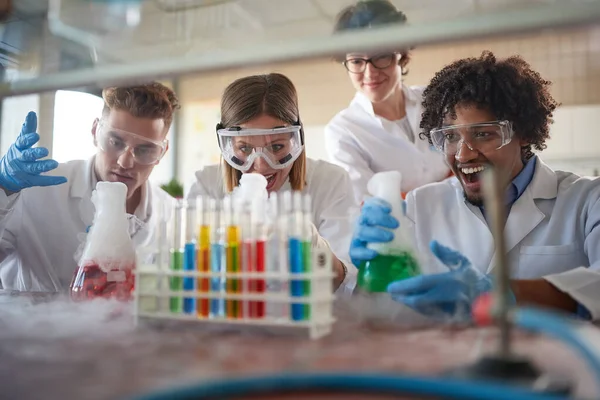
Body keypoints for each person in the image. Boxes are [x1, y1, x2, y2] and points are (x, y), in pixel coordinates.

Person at [349, 51, 600, 321]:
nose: (463, 154)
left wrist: (502, 294)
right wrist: (368, 270)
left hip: (559, 361)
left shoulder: (587, 201)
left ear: (524, 132)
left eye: (483, 134)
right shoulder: (417, 208)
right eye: (451, 136)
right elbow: (374, 314)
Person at [0, 82, 180, 292]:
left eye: (145, 150)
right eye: (115, 142)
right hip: (28, 324)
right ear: (96, 131)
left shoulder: (170, 214)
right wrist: (4, 190)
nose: (125, 162)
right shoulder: (35, 188)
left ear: (163, 152)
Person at [188, 73, 359, 292]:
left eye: (276, 147)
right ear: (228, 144)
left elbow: (348, 289)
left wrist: (315, 250)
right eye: (245, 148)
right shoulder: (206, 185)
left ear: (297, 140)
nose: (261, 165)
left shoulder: (330, 181)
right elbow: (190, 283)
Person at [324, 0, 450, 204]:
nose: (370, 72)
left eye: (381, 57)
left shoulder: (435, 99)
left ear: (401, 55)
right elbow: (372, 204)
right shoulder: (343, 131)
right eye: (356, 61)